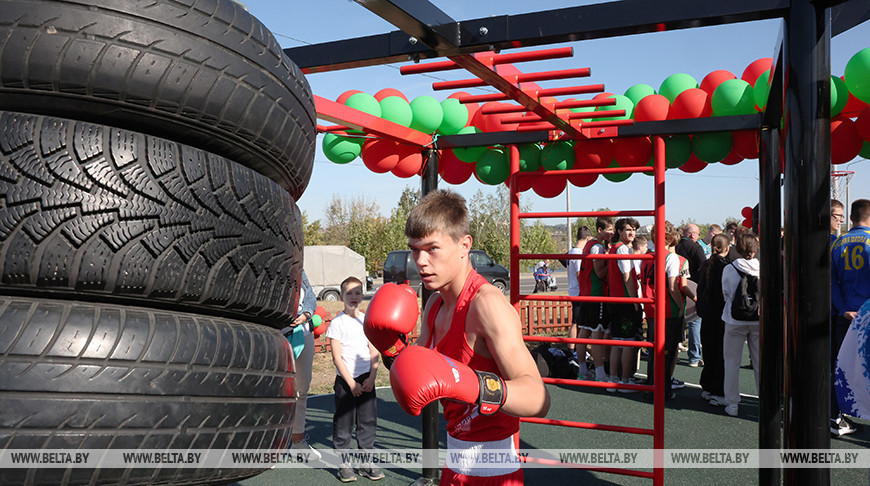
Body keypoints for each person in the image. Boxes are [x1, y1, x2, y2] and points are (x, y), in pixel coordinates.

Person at [369, 189, 549, 485]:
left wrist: (475, 385)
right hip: (454, 465)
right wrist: (391, 349)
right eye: (415, 250)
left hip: (496, 472)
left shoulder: (487, 305)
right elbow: (421, 374)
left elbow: (538, 399)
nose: (420, 261)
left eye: (432, 249)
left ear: (464, 245)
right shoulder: (433, 304)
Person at [325, 277, 383, 482]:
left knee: (367, 422)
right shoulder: (337, 323)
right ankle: (344, 464)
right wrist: (351, 383)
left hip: (366, 380)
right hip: (346, 382)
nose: (354, 297)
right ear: (341, 297)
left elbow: (374, 349)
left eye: (358, 292)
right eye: (349, 293)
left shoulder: (367, 320)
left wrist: (372, 376)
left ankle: (366, 462)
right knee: (344, 424)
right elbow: (336, 357)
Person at [830, 199, 870, 436]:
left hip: (845, 316)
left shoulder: (837, 243)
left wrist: (843, 308)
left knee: (839, 366)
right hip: (866, 314)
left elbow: (830, 281)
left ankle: (835, 416)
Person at [280, 270, 322, 460]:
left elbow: (311, 296)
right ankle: (273, 447)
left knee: (301, 390)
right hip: (277, 335)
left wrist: (306, 314)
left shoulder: (298, 266)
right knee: (275, 392)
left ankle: (298, 441)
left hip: (304, 335)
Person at [720, 232, 761, 417]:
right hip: (757, 319)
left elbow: (726, 294)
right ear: (755, 249)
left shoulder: (729, 269)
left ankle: (732, 404)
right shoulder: (762, 268)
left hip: (733, 318)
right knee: (761, 362)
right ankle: (764, 400)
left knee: (731, 362)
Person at [606, 218, 642, 391]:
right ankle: (625, 380)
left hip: (617, 300)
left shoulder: (614, 248)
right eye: (628, 229)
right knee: (627, 343)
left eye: (634, 229)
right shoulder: (622, 249)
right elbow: (627, 278)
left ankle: (613, 379)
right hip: (626, 301)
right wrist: (635, 301)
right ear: (619, 231)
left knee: (618, 341)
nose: (632, 233)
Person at [578, 217, 615, 382]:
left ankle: (583, 369)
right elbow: (600, 272)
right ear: (600, 230)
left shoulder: (589, 243)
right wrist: (612, 264)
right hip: (595, 293)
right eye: (609, 230)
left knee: (584, 331)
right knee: (596, 333)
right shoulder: (597, 247)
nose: (612, 233)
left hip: (586, 292)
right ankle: (600, 373)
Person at [697, 234, 732, 405]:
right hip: (721, 315)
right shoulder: (725, 267)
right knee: (720, 354)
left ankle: (707, 387)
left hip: (707, 315)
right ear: (727, 248)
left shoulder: (706, 264)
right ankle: (718, 390)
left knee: (709, 353)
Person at [675, 223, 706, 367]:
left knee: (678, 317)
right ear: (692, 234)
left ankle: (674, 347)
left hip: (675, 285)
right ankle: (694, 356)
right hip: (693, 286)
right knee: (694, 322)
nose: (698, 237)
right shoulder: (695, 247)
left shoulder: (675, 246)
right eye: (698, 234)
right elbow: (704, 265)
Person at [567, 225, 594, 378]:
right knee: (577, 321)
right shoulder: (578, 253)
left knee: (578, 321)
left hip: (574, 289)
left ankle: (575, 349)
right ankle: (572, 350)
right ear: (588, 239)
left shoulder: (571, 251)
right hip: (578, 291)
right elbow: (579, 273)